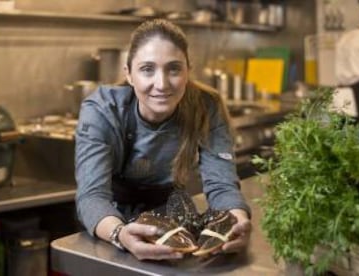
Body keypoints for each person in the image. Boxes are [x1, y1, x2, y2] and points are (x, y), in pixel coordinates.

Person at [75, 19, 251, 261]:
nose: (162, 84)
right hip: (110, 217)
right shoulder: (102, 109)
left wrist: (238, 222)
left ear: (188, 70)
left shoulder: (206, 106)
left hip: (173, 212)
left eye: (174, 69)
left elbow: (222, 185)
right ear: (129, 74)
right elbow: (92, 195)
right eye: (147, 69)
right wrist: (119, 234)